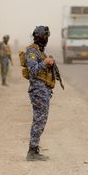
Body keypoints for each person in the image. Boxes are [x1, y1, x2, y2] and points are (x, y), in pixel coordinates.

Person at [24, 26, 55, 161]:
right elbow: (32, 70)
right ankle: (32, 151)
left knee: (41, 120)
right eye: (45, 37)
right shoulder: (32, 51)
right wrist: (45, 63)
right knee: (39, 120)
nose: (46, 39)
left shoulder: (40, 52)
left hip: (43, 91)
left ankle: (34, 149)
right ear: (41, 37)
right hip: (38, 91)